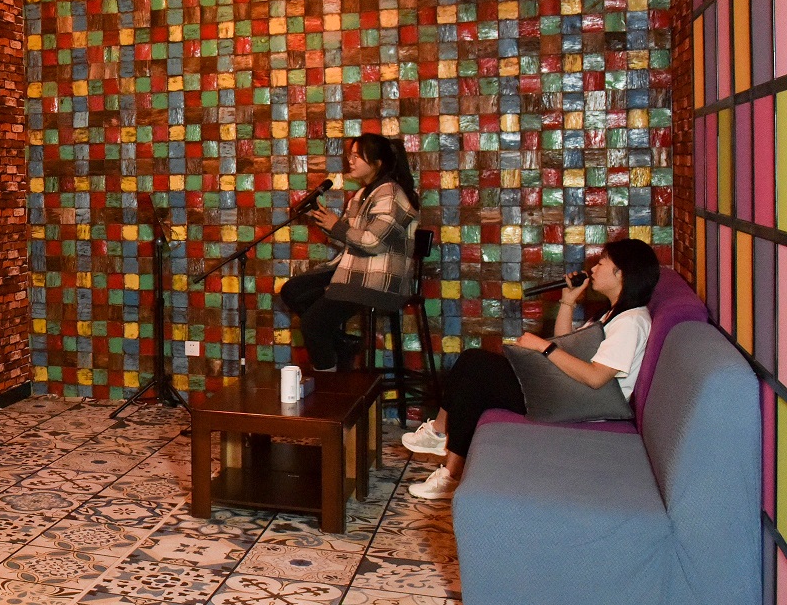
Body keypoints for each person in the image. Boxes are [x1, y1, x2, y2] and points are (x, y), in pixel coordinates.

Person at [401, 237, 662, 500]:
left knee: (476, 366)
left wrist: (543, 347)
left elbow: (596, 378)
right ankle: (447, 465)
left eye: (601, 263)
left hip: (585, 405)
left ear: (620, 273)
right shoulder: (612, 314)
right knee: (475, 373)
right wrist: (568, 302)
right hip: (573, 393)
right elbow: (568, 346)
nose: (593, 269)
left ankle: (441, 439)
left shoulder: (631, 322)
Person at [278, 133, 420, 372]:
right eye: (350, 155)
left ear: (377, 163)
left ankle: (330, 380)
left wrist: (337, 226)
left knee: (313, 324)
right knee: (293, 291)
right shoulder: (362, 195)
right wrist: (322, 220)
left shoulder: (390, 193)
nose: (350, 161)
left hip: (378, 280)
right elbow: (346, 238)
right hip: (354, 271)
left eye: (357, 156)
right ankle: (342, 342)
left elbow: (373, 242)